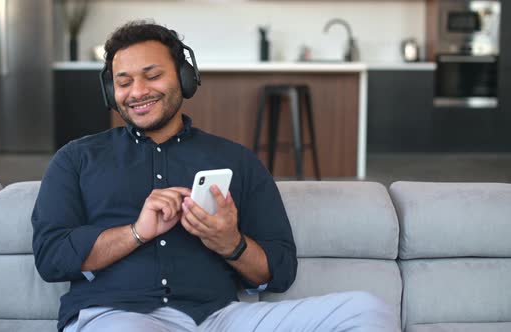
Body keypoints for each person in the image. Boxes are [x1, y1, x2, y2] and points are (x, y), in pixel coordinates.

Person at [32, 20, 399, 332]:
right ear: (111, 91)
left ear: (185, 77)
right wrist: (136, 232)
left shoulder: (236, 160)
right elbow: (51, 257)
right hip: (119, 316)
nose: (138, 92)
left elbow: (280, 270)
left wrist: (230, 243)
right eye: (123, 81)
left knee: (368, 312)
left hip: (220, 319)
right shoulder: (76, 159)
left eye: (152, 75)